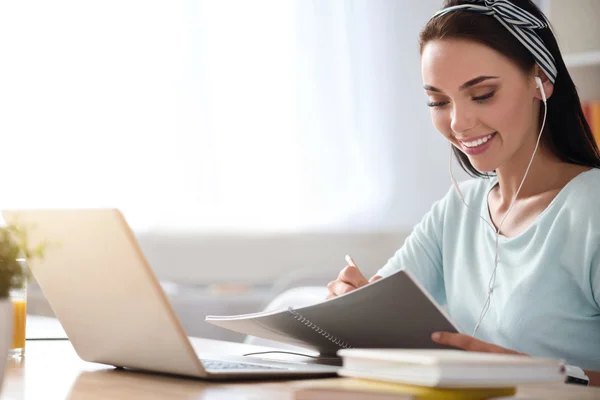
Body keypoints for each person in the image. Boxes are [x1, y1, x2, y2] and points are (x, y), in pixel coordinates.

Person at [326, 0, 600, 386]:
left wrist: (540, 375)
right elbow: (379, 311)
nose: (458, 123)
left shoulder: (592, 211)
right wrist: (349, 305)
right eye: (439, 101)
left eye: (483, 94)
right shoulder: (456, 209)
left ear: (541, 80)